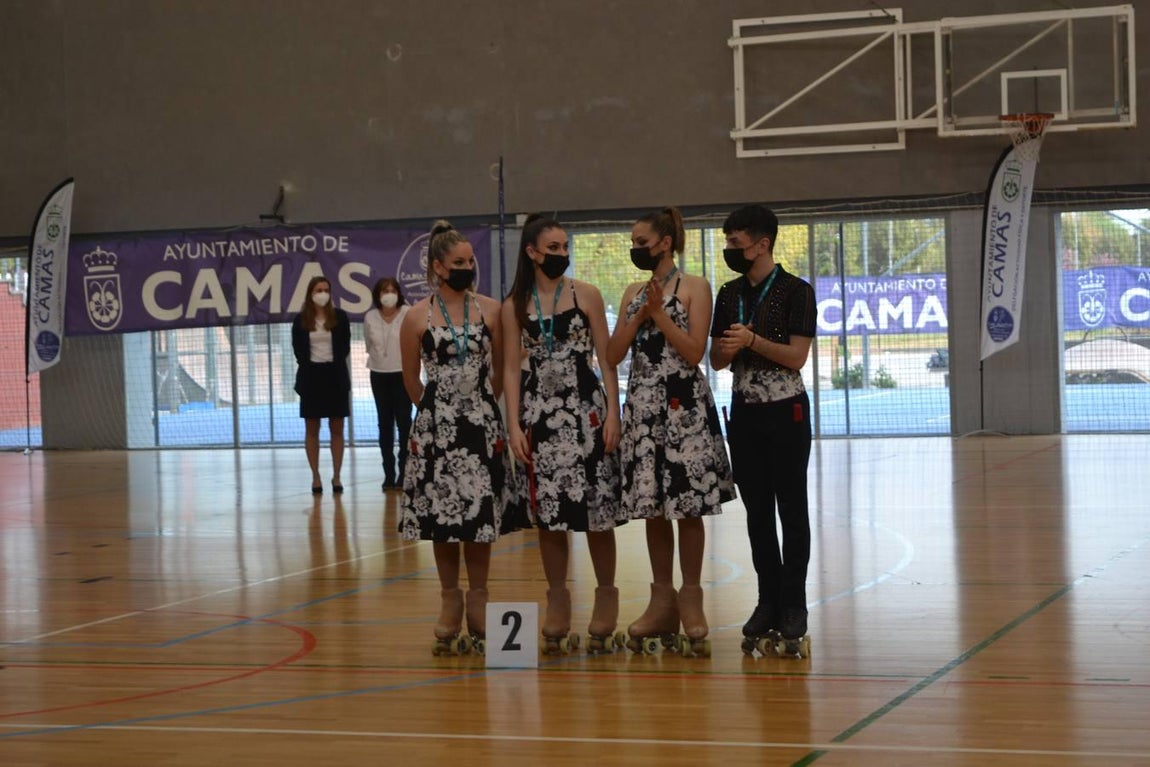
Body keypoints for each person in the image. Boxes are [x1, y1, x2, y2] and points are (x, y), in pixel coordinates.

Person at [606, 206, 734, 657]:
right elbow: (613, 353)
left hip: (684, 407)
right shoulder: (631, 292)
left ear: (664, 242)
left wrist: (660, 317)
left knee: (688, 506)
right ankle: (661, 600)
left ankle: (691, 599)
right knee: (653, 507)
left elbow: (695, 351)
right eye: (633, 241)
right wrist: (639, 316)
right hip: (642, 405)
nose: (636, 248)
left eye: (642, 241)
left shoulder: (696, 287)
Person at [501, 214, 625, 654]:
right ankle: (557, 597)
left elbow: (608, 357)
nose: (561, 255)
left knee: (597, 509)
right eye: (551, 248)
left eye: (564, 247)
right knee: (549, 514)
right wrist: (513, 423)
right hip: (540, 416)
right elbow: (511, 368)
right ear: (532, 252)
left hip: (586, 409)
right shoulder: (514, 303)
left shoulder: (586, 294)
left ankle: (606, 594)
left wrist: (613, 412)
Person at [398, 219, 522, 655]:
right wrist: (435, 413)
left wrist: (489, 412)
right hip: (437, 430)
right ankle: (450, 598)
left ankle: (480, 597)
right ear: (437, 266)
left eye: (471, 260)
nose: (468, 267)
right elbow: (411, 380)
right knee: (443, 520)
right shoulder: (415, 316)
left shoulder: (491, 310)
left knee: (478, 520)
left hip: (482, 427)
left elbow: (505, 370)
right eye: (459, 262)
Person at [709, 204, 816, 658]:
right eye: (728, 242)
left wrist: (753, 341)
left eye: (737, 243)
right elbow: (714, 359)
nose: (730, 250)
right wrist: (729, 348)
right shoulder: (729, 294)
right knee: (756, 514)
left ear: (763, 243)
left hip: (787, 412)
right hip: (746, 415)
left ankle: (794, 604)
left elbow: (796, 357)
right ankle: (766, 601)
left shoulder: (796, 291)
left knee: (791, 510)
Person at [291, 274, 351, 495]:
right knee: (312, 429)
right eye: (318, 290)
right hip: (311, 377)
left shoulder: (340, 317)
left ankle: (336, 476)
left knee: (337, 428)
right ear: (310, 294)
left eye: (326, 289)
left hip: (335, 376)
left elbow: (344, 346)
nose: (323, 294)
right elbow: (298, 350)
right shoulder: (300, 321)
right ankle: (315, 476)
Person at [364, 277, 412, 492]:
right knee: (385, 424)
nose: (389, 294)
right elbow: (368, 345)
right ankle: (388, 473)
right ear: (378, 295)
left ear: (399, 293)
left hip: (403, 374)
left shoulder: (407, 313)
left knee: (404, 423)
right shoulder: (370, 317)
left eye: (392, 290)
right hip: (379, 374)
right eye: (384, 290)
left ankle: (404, 471)